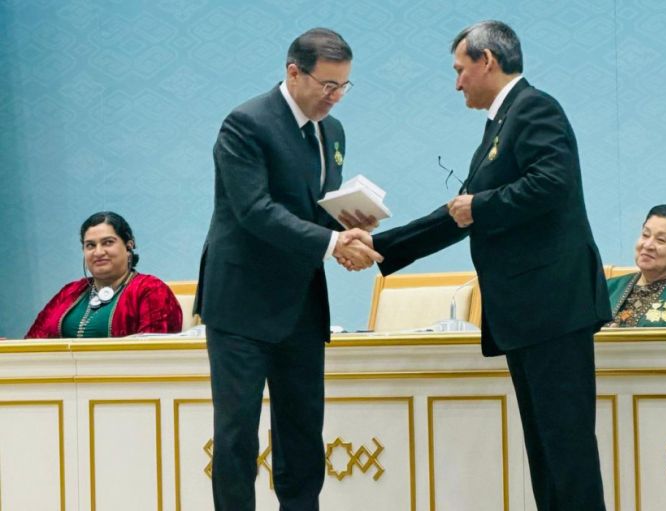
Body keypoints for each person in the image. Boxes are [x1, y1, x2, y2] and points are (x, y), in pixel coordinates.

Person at [346, 20, 612, 511]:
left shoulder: (536, 108)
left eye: (459, 69)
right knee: (546, 454)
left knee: (567, 452)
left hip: (553, 308)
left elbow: (552, 183)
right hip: (528, 314)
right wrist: (381, 246)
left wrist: (481, 206)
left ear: (486, 61)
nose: (457, 83)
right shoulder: (501, 122)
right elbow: (458, 214)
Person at [194, 28, 381, 511]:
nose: (335, 97)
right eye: (327, 85)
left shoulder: (332, 132)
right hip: (242, 303)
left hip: (300, 302)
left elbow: (311, 210)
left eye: (344, 86)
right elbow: (254, 211)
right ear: (293, 72)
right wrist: (332, 242)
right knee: (237, 435)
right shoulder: (246, 124)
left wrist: (348, 225)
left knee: (303, 430)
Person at [25, 211, 182, 338]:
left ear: (129, 246)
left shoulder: (150, 289)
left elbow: (155, 354)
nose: (98, 252)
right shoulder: (70, 292)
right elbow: (32, 343)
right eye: (90, 245)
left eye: (108, 242)